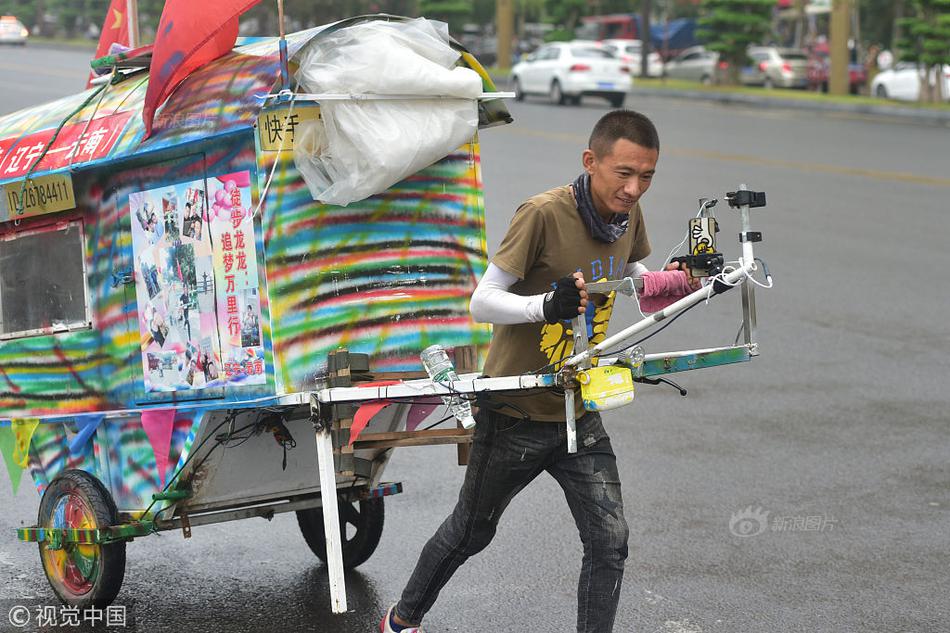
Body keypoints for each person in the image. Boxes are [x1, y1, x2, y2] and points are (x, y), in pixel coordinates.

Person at [381, 110, 698, 633]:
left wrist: (691, 281)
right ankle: (402, 619)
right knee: (471, 532)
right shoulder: (543, 214)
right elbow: (483, 302)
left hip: (579, 410)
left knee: (609, 543)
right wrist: (543, 307)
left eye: (646, 176)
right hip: (514, 411)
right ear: (590, 162)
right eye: (624, 173)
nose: (634, 188)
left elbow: (641, 288)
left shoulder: (627, 218)